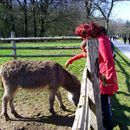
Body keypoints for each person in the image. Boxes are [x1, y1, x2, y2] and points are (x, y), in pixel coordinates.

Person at [65, 22, 118, 130]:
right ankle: (107, 123)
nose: (83, 39)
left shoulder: (101, 41)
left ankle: (107, 126)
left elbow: (109, 61)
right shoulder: (97, 39)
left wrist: (109, 78)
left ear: (88, 33)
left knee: (103, 105)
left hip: (104, 76)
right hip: (103, 74)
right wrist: (71, 60)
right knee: (103, 103)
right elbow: (86, 54)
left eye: (83, 36)